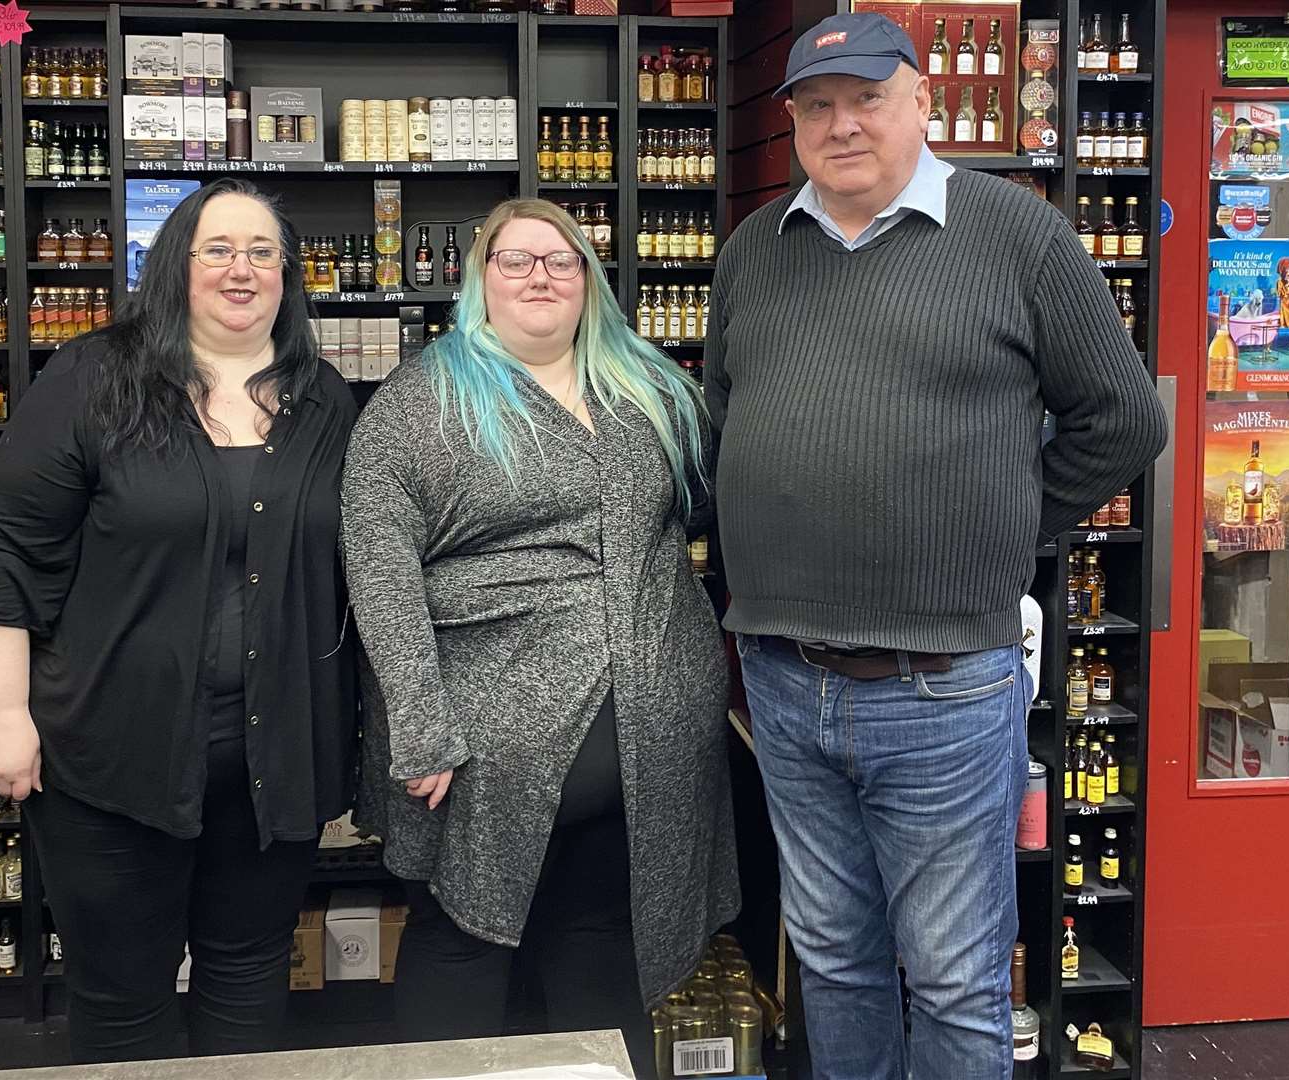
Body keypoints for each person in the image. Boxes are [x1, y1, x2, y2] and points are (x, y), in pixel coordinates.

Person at [704, 14, 1167, 1080]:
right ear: (791, 127)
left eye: (867, 98)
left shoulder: (1017, 234)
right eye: (816, 106)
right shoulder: (752, 254)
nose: (842, 123)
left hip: (945, 687)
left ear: (924, 102)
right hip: (783, 674)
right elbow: (730, 422)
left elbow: (1125, 420)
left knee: (956, 978)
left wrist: (1007, 515)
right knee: (831, 959)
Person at [0, 178, 358, 1064]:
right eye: (218, 249)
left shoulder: (322, 395)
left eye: (262, 252)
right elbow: (0, 550)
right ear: (176, 264)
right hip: (113, 755)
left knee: (250, 977)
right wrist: (2, 713)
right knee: (123, 996)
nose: (240, 270)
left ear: (288, 275)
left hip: (274, 763)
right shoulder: (97, 375)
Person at [343, 198, 738, 1076]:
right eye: (515, 260)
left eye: (562, 261)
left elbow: (712, 511)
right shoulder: (424, 400)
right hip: (484, 742)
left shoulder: (649, 387)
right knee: (462, 944)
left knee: (602, 947)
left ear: (589, 281)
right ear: (478, 279)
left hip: (651, 737)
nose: (539, 276)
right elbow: (379, 567)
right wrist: (420, 722)